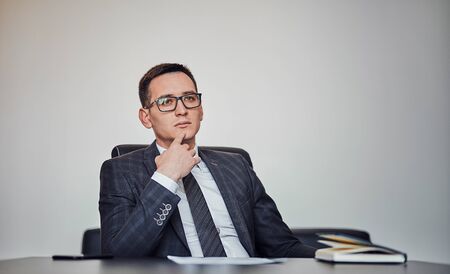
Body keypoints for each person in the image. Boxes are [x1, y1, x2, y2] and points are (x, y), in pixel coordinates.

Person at [99, 63, 315, 258]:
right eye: (166, 102)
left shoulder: (236, 166)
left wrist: (337, 260)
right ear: (146, 117)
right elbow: (119, 256)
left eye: (190, 99)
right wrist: (167, 177)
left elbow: (283, 246)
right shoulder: (120, 171)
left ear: (200, 110)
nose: (182, 110)